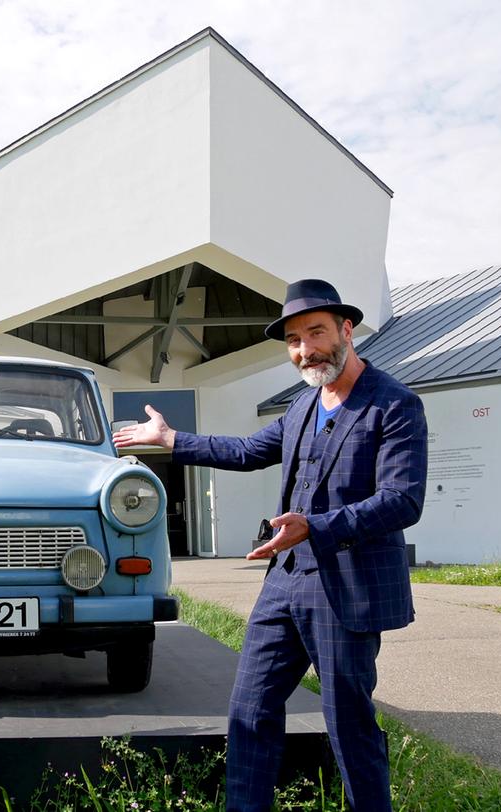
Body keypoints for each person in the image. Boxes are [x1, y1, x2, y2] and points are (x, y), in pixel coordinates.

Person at [114, 278, 427, 812]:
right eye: (294, 340)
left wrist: (317, 526)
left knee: (348, 724)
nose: (305, 349)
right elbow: (247, 450)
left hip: (346, 590)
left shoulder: (393, 405)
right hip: (284, 582)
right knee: (249, 709)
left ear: (346, 330)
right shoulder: (303, 406)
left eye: (316, 333)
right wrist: (172, 441)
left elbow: (402, 501)